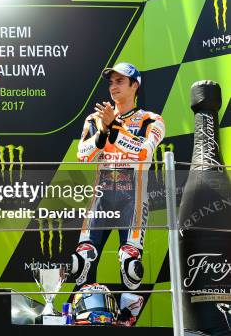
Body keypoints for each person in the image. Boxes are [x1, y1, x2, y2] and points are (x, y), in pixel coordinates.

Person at [72, 62, 165, 326]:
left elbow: (144, 153)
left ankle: (127, 320)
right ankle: (87, 316)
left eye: (120, 82)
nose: (113, 87)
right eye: (111, 82)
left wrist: (114, 128)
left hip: (132, 198)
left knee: (130, 263)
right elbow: (83, 156)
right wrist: (103, 131)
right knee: (82, 260)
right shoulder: (94, 119)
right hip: (101, 197)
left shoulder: (151, 119)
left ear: (135, 86)